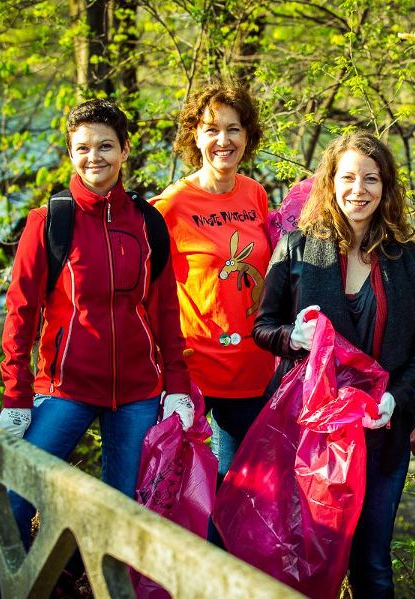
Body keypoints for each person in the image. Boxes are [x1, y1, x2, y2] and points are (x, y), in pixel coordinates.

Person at [0, 99, 191, 590]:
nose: (94, 157)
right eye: (82, 148)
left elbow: (166, 310)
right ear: (70, 153)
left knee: (126, 514)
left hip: (139, 393)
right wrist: (17, 397)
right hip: (66, 387)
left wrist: (178, 386)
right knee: (15, 494)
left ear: (125, 150)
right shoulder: (49, 221)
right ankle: (14, 589)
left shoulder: (148, 223)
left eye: (106, 146)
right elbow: (20, 312)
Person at [253, 131, 415, 598]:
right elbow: (263, 327)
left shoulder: (406, 258)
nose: (359, 190)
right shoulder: (296, 248)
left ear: (385, 186)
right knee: (307, 557)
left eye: (371, 179)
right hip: (311, 439)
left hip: (381, 435)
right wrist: (291, 338)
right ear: (330, 183)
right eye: (348, 177)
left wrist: (396, 399)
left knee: (372, 564)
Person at [151, 82, 275, 485]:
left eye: (234, 129)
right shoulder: (172, 204)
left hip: (252, 368)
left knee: (240, 490)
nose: (224, 140)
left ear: (247, 136)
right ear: (196, 138)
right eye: (211, 129)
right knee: (181, 488)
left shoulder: (255, 194)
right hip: (193, 373)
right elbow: (148, 289)